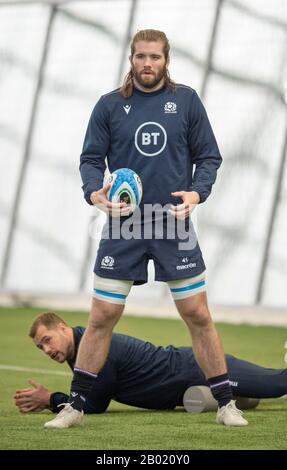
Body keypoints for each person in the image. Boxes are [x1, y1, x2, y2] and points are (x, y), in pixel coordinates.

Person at [45, 29, 246, 428]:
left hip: (173, 221)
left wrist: (196, 194)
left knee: (197, 314)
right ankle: (76, 406)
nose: (147, 64)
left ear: (166, 59)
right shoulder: (108, 106)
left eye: (155, 57)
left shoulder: (186, 101)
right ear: (131, 58)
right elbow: (89, 159)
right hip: (124, 224)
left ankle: (226, 404)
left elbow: (209, 156)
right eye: (141, 57)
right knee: (102, 315)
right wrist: (93, 193)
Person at [15, 313, 287, 416]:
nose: (47, 350)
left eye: (48, 340)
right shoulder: (78, 349)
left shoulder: (94, 345)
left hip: (197, 368)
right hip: (187, 381)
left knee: (277, 384)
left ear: (63, 328)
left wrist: (50, 399)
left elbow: (94, 404)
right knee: (264, 389)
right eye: (41, 347)